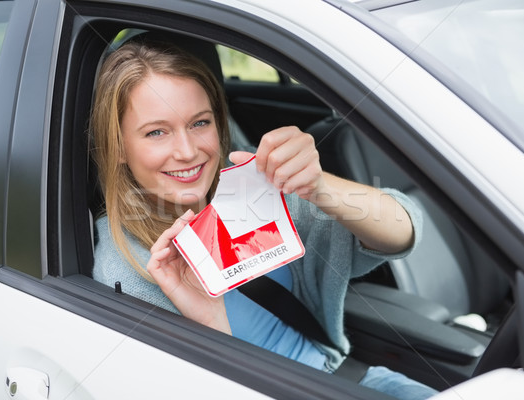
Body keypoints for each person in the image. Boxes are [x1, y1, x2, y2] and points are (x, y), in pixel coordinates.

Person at [90, 37, 437, 400]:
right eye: (156, 132)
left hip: (344, 379)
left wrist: (318, 185)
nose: (188, 151)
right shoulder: (125, 269)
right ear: (118, 148)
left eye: (199, 123)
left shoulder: (251, 185)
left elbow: (404, 230)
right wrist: (211, 326)